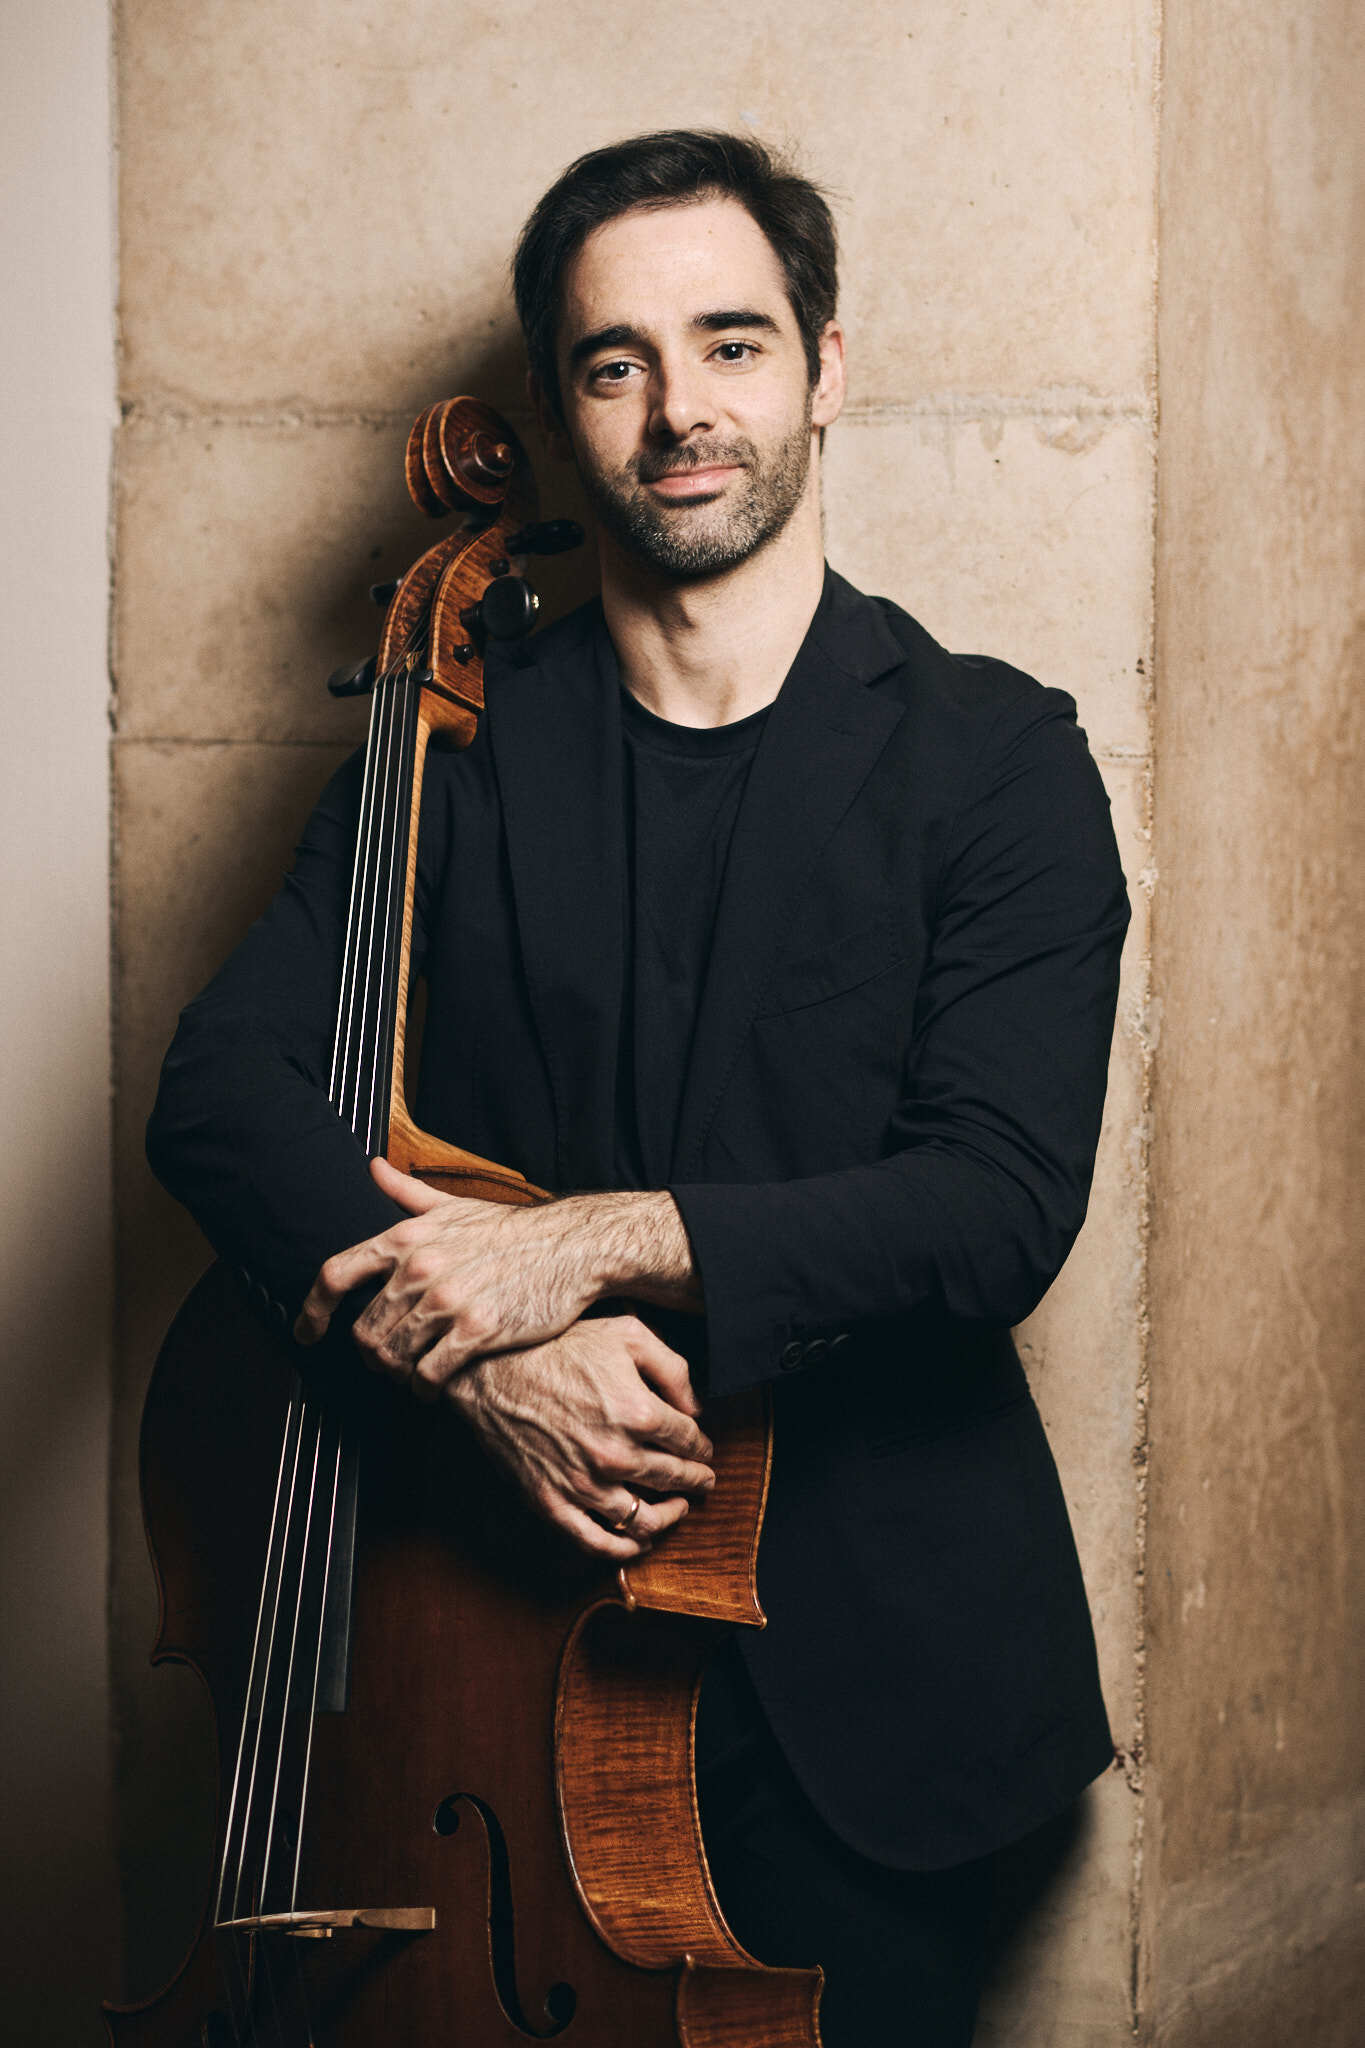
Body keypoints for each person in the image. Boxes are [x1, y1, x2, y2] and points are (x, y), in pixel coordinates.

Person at [148, 130, 1130, 2047]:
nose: (680, 411)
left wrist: (581, 1248)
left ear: (823, 368)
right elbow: (221, 1092)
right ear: (557, 412)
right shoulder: (451, 750)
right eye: (617, 363)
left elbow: (994, 1203)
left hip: (877, 1693)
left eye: (731, 344)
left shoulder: (994, 760)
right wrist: (473, 1355)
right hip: (488, 1670)